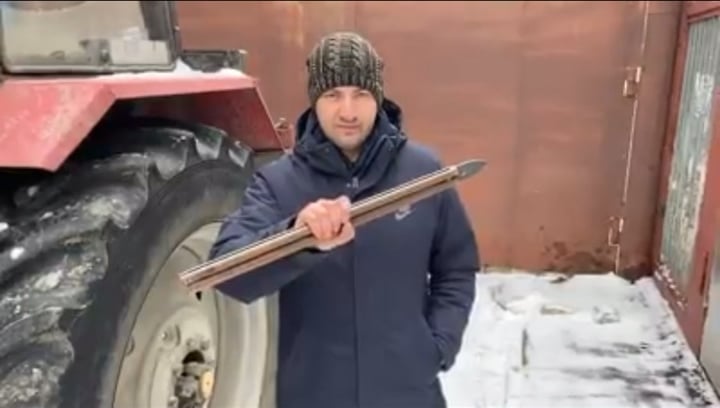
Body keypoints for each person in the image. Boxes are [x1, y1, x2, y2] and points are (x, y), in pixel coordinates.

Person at [209, 31, 480, 408]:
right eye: (333, 95)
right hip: (312, 395)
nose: (348, 112)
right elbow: (227, 273)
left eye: (361, 94)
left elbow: (457, 267)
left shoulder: (423, 173)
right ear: (314, 99)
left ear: (379, 97)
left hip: (408, 393)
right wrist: (295, 236)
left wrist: (437, 345)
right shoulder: (278, 183)